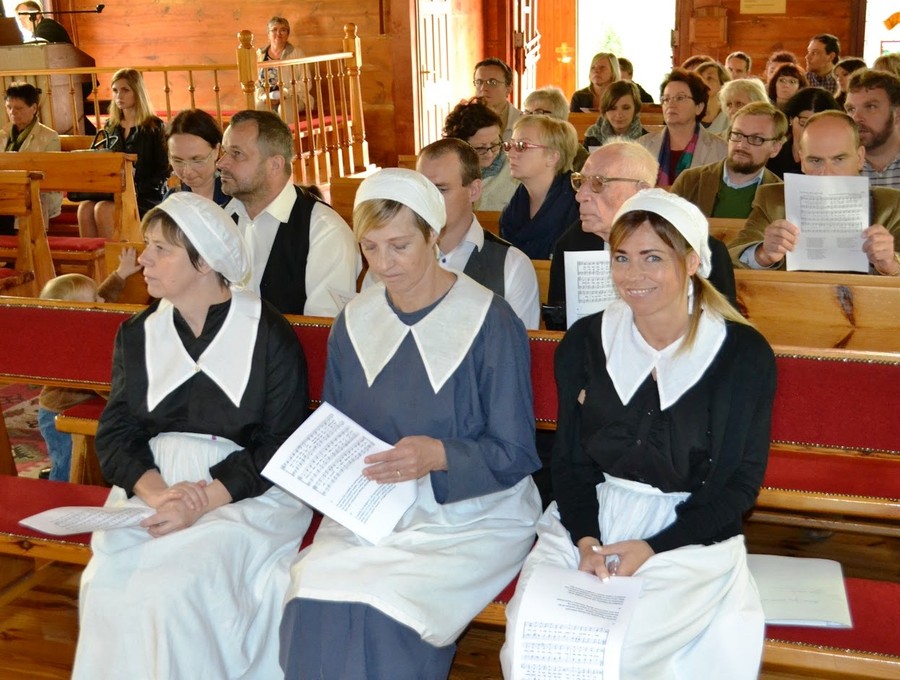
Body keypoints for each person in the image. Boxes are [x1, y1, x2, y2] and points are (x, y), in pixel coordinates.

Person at [502, 188, 776, 680]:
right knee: (533, 641)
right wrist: (586, 540)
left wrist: (652, 547)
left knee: (624, 655)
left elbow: (738, 486)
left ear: (692, 261)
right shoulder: (587, 341)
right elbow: (569, 462)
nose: (632, 276)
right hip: (591, 519)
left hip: (690, 534)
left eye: (653, 258)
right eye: (622, 258)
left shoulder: (740, 353)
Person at [279, 168, 542, 679]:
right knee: (310, 591)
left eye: (399, 245)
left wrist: (438, 455)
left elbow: (515, 452)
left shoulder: (489, 321)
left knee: (385, 606)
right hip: (371, 508)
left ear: (433, 234)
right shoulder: (355, 319)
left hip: (470, 514)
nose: (383, 264)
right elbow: (338, 430)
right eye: (370, 248)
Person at [73, 193, 312, 679]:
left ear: (204, 261)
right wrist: (161, 495)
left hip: (244, 492)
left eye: (161, 249)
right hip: (155, 484)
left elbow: (279, 442)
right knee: (106, 583)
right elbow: (117, 432)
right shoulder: (139, 333)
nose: (143, 259)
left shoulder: (267, 335)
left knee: (177, 588)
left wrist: (200, 502)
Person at [545, 140, 737, 330]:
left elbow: (726, 334)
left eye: (598, 183)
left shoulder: (696, 249)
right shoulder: (571, 245)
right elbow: (560, 329)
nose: (580, 195)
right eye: (580, 182)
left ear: (642, 191)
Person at [217, 109, 359, 315]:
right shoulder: (220, 220)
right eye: (224, 152)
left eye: (236, 154)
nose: (221, 163)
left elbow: (320, 330)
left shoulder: (324, 232)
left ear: (275, 164)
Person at [731, 111, 900, 275]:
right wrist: (762, 255)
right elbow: (730, 259)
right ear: (802, 160)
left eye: (839, 159)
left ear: (860, 157)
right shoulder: (774, 199)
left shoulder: (891, 205)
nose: (826, 173)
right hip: (792, 301)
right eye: (815, 161)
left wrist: (892, 265)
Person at [36, 251, 141, 481]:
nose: (102, 302)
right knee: (67, 466)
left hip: (72, 405)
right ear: (76, 315)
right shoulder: (75, 346)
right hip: (57, 414)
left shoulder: (83, 322)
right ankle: (60, 498)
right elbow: (97, 384)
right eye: (95, 301)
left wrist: (121, 273)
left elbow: (103, 295)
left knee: (82, 462)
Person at [417, 138, 540, 329]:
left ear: (474, 191)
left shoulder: (512, 266)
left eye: (441, 190)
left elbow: (518, 350)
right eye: (422, 189)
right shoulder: (394, 256)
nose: (428, 201)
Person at [77, 68, 168, 238]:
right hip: (113, 191)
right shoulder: (111, 125)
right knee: (85, 208)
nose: (119, 95)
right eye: (115, 90)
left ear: (137, 92)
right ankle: (97, 263)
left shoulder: (154, 127)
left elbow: (162, 172)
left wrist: (134, 188)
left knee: (102, 209)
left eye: (125, 90)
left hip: (145, 195)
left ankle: (114, 261)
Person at [671, 101, 786, 218]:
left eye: (756, 138)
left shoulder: (783, 197)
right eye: (737, 135)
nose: (741, 145)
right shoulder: (690, 181)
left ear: (775, 148)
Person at [499, 114, 579, 259]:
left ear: (553, 157)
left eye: (522, 146)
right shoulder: (512, 210)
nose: (510, 153)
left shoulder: (578, 205)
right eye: (510, 145)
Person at [639, 68, 728, 187]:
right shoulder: (642, 146)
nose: (671, 104)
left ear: (699, 107)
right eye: (666, 99)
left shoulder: (721, 150)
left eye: (680, 98)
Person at [0, 82, 61, 234]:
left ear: (33, 108)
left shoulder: (49, 137)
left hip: (36, 194)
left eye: (19, 108)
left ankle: (18, 254)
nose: (13, 112)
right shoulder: (3, 134)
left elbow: (48, 176)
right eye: (9, 107)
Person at [443, 99, 518, 211]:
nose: (489, 154)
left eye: (495, 144)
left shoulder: (515, 172)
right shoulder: (444, 172)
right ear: (459, 146)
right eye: (480, 148)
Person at [765, 87, 840, 178]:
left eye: (818, 127)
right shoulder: (772, 157)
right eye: (803, 123)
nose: (809, 132)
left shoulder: (833, 165)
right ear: (791, 119)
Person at [844, 69, 900, 188]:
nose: (856, 118)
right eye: (851, 109)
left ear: (897, 114)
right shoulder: (837, 165)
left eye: (870, 107)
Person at [164, 108, 229, 205]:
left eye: (197, 160)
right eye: (178, 161)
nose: (187, 172)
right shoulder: (172, 200)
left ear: (216, 150)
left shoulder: (235, 197)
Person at [255, 16, 310, 118]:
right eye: (274, 30)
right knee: (259, 107)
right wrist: (262, 95)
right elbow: (254, 81)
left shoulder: (297, 53)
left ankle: (289, 134)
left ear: (288, 34)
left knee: (284, 108)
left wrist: (285, 94)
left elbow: (307, 82)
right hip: (266, 98)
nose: (278, 33)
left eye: (283, 30)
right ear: (268, 34)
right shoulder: (259, 54)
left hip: (292, 97)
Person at [524, 86, 587, 170]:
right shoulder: (521, 150)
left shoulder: (580, 159)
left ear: (558, 118)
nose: (529, 119)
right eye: (527, 113)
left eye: (538, 113)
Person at [583, 80, 646, 148]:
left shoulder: (646, 138)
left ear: (635, 109)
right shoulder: (593, 135)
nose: (619, 114)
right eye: (612, 108)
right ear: (605, 110)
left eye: (626, 108)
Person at [473, 57, 520, 141]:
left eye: (492, 82)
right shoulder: (462, 122)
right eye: (479, 82)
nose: (483, 88)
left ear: (508, 89)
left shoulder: (522, 121)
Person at [697, 61, 731, 134]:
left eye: (709, 78)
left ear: (723, 85)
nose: (702, 82)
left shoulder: (730, 116)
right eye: (699, 78)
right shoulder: (688, 116)